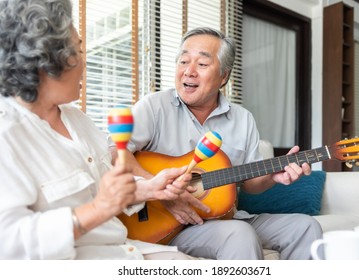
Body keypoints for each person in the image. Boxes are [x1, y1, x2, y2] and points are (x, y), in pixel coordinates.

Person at [0, 0, 198, 260]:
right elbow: (9, 244)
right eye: (78, 51)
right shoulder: (8, 136)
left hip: (126, 251)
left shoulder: (77, 119)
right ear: (45, 62)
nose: (85, 61)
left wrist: (151, 187)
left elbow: (107, 188)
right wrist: (98, 209)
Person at [124, 27, 323, 260]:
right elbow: (116, 154)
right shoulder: (153, 107)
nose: (189, 71)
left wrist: (273, 175)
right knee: (239, 233)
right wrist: (162, 192)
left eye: (202, 64)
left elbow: (250, 184)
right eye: (183, 61)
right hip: (168, 224)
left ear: (224, 76)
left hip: (224, 217)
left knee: (306, 227)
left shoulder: (243, 118)